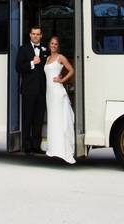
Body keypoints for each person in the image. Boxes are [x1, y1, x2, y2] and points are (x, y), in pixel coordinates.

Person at [14, 26, 47, 154]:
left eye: (38, 34)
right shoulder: (24, 49)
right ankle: (26, 146)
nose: (35, 36)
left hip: (42, 90)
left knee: (38, 119)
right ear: (30, 35)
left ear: (41, 35)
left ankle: (36, 146)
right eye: (33, 34)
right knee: (27, 118)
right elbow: (18, 67)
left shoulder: (46, 49)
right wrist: (32, 63)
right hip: (28, 90)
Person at [44, 36, 76, 164]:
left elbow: (71, 70)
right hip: (49, 93)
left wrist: (62, 80)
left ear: (58, 46)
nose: (53, 45)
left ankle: (63, 151)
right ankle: (54, 149)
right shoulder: (47, 59)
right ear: (49, 45)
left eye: (56, 44)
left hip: (57, 92)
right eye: (52, 43)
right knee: (53, 120)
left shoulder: (60, 57)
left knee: (60, 120)